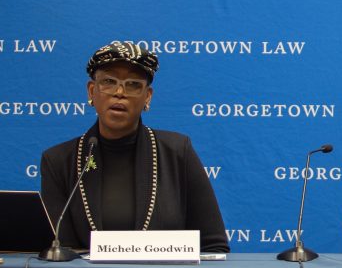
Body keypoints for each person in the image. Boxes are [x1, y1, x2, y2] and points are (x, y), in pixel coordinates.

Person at [39, 41, 229, 253]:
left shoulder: (177, 152)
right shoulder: (59, 161)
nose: (120, 92)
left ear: (147, 97)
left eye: (133, 84)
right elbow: (59, 251)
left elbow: (214, 246)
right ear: (92, 91)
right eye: (109, 82)